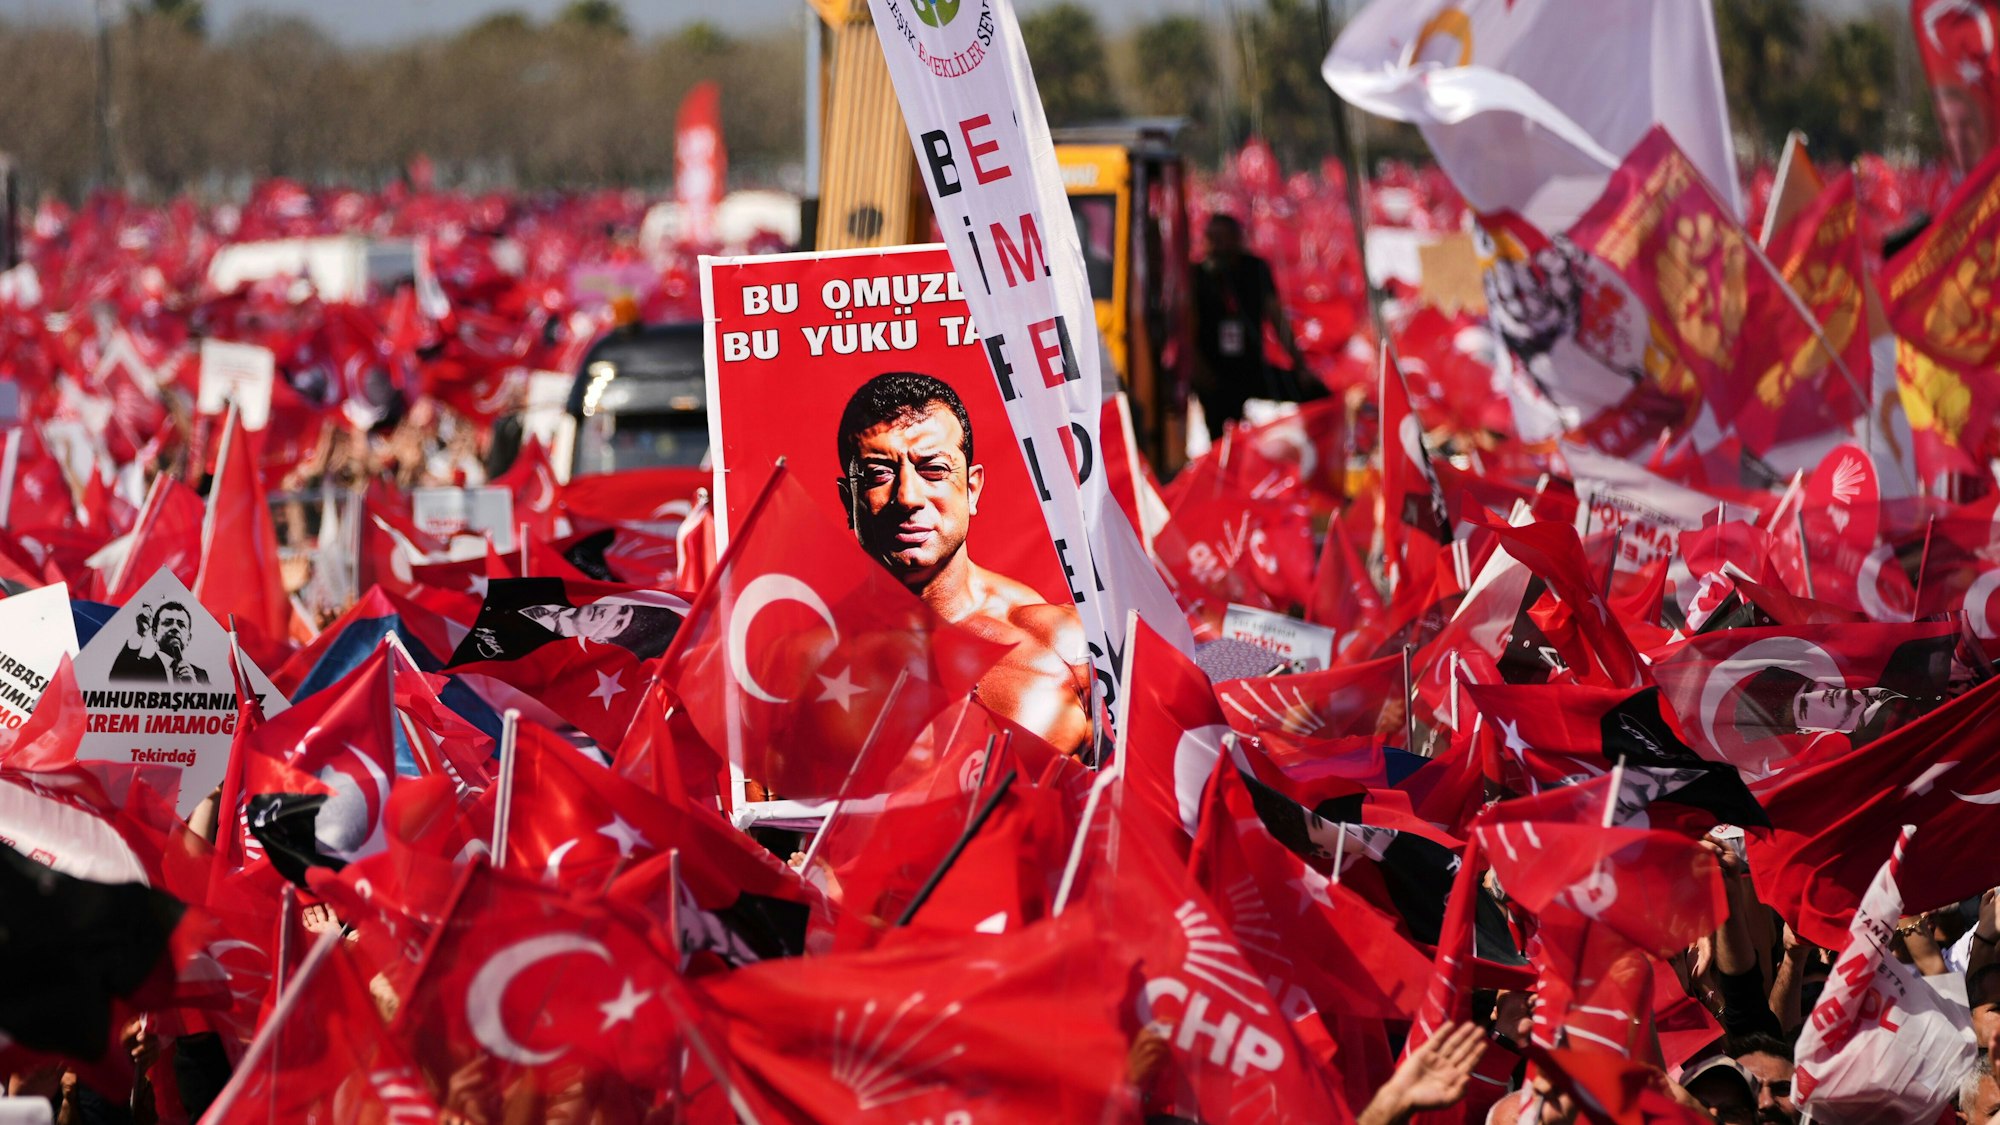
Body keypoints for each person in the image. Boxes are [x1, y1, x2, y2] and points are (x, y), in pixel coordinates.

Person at [834, 372, 1091, 756]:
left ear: (971, 489)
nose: (907, 497)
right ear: (848, 501)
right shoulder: (800, 670)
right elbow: (761, 814)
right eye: (878, 475)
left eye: (934, 470)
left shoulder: (1066, 646)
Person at [1191, 213, 1307, 439]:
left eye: (1221, 239)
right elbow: (1186, 328)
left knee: (1312, 391)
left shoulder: (1255, 270)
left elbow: (1277, 317)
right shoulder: (1197, 275)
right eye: (1211, 238)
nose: (1215, 246)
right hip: (1215, 375)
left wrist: (1300, 364)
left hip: (1251, 367)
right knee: (1221, 429)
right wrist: (1201, 373)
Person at [110, 602, 209, 684]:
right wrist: (140, 632)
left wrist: (196, 689)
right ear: (154, 633)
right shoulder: (139, 668)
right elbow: (117, 677)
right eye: (167, 622)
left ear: (188, 638)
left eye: (181, 625)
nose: (175, 628)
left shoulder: (200, 675)